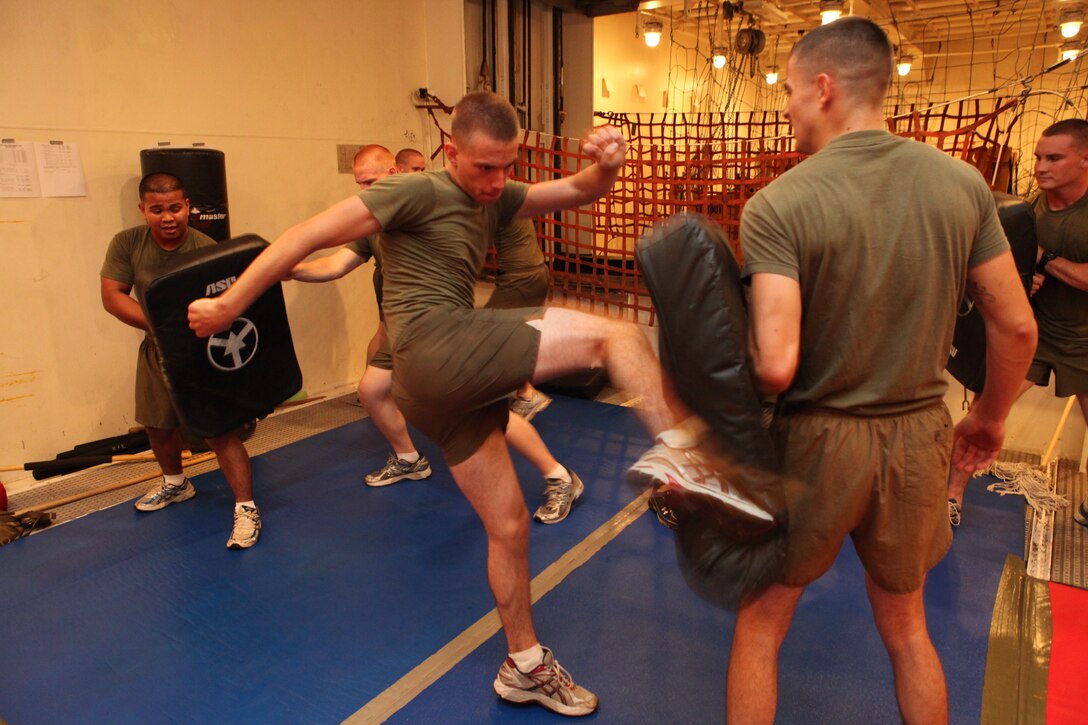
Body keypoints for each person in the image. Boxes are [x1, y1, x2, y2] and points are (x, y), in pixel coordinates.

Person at [188, 90, 762, 716]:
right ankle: (686, 466)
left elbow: (573, 193)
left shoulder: (496, 193)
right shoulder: (413, 190)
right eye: (483, 166)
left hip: (435, 389)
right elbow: (304, 236)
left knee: (510, 525)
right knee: (617, 336)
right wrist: (230, 304)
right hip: (435, 347)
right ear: (449, 150)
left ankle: (523, 664)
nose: (498, 181)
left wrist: (608, 166)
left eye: (508, 165)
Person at [728, 18, 1037, 724]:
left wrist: (713, 398)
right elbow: (1017, 325)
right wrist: (989, 417)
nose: (786, 106)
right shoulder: (963, 184)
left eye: (789, 90)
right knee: (907, 629)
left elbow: (774, 364)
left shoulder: (778, 203)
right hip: (919, 437)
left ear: (825, 88)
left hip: (817, 441)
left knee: (761, 622)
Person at [291, 146, 584, 524]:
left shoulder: (426, 204)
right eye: (359, 183)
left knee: (481, 409)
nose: (364, 190)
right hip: (404, 332)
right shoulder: (373, 218)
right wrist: (292, 268)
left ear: (395, 172)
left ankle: (560, 477)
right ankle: (409, 459)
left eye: (371, 181)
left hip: (444, 329)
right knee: (372, 390)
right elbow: (336, 264)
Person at [100, 172, 261, 550]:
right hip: (157, 348)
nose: (167, 217)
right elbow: (113, 296)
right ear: (143, 210)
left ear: (187, 206)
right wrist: (161, 327)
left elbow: (230, 304)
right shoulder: (127, 244)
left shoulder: (205, 247)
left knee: (218, 430)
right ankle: (176, 483)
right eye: (157, 210)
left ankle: (246, 507)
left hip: (200, 351)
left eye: (175, 208)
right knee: (156, 424)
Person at [948, 118, 1088, 527]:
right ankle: (951, 495)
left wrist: (1043, 259)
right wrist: (1023, 276)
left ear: (1084, 160)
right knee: (984, 415)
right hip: (1034, 334)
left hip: (1084, 337)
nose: (1042, 167)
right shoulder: (1027, 210)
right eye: (1039, 158)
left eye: (1054, 158)